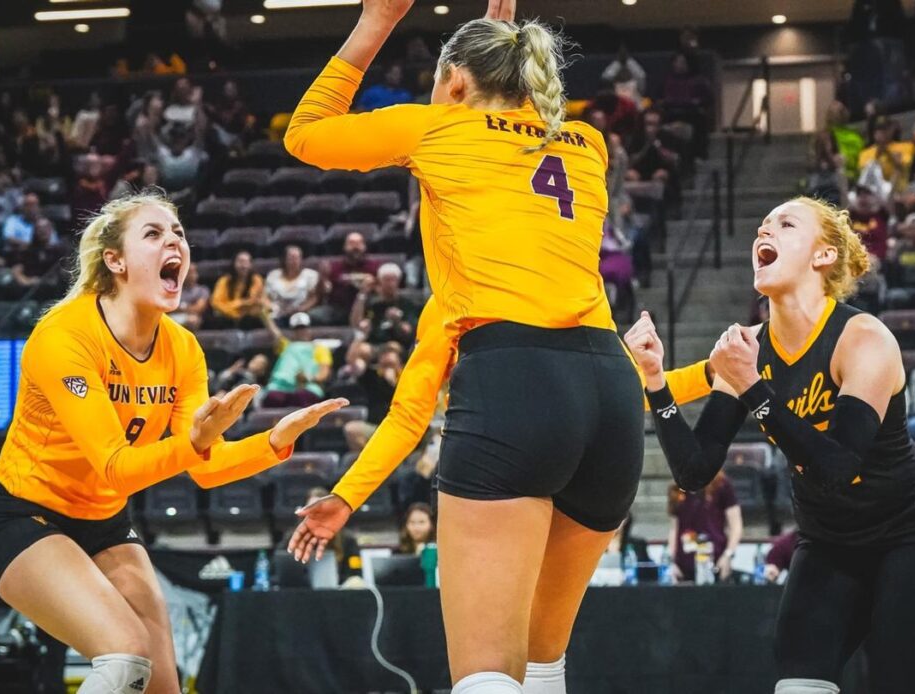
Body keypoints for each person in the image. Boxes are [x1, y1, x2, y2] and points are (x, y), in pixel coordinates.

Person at [282, 2, 703, 687]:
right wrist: (487, 39)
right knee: (543, 666)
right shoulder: (587, 144)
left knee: (485, 675)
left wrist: (378, 22)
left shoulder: (439, 144)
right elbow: (477, 138)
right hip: (609, 393)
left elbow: (307, 134)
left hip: (516, 383)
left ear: (450, 83)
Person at [0, 192, 346, 694]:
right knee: (126, 654)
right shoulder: (65, 336)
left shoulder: (183, 347)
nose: (173, 240)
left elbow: (206, 468)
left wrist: (273, 441)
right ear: (116, 261)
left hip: (104, 523)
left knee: (162, 685)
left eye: (178, 233)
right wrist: (194, 443)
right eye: (153, 233)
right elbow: (117, 468)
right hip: (23, 518)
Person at [627, 196, 915, 693]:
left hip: (912, 542)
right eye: (761, 226)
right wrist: (655, 380)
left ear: (823, 256)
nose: (764, 232)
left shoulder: (863, 338)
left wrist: (752, 387)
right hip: (828, 545)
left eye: (784, 224)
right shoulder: (747, 349)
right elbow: (694, 471)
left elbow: (836, 465)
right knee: (797, 686)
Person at [665, 472, 742, 583]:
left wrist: (728, 555)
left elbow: (736, 525)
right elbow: (674, 528)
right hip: (684, 565)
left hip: (715, 563)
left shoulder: (721, 484)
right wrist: (672, 562)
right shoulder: (677, 487)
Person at [260, 311, 333, 408]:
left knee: (302, 398)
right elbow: (274, 332)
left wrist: (307, 378)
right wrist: (263, 313)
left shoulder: (320, 348)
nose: (301, 331)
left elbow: (324, 373)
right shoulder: (286, 346)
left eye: (304, 328)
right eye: (297, 329)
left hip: (306, 387)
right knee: (272, 398)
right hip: (281, 387)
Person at [264, 245, 320, 327]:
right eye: (291, 258)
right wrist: (273, 308)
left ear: (301, 260)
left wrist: (301, 309)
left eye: (297, 258)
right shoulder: (273, 275)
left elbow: (314, 298)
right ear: (284, 259)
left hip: (300, 311)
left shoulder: (310, 275)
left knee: (301, 320)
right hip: (277, 312)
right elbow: (266, 297)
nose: (294, 261)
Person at [209, 250, 265, 329]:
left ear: (250, 265)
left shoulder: (256, 280)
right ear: (234, 264)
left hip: (250, 318)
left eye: (246, 262)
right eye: (240, 262)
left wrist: (238, 305)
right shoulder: (224, 281)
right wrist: (237, 309)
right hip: (227, 317)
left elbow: (253, 301)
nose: (243, 266)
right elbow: (216, 302)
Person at [167, 261, 209, 329]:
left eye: (193, 272)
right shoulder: (173, 288)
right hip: (173, 317)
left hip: (191, 318)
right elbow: (168, 308)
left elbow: (198, 308)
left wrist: (180, 308)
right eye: (188, 272)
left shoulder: (202, 290)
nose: (191, 275)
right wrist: (188, 307)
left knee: (193, 320)